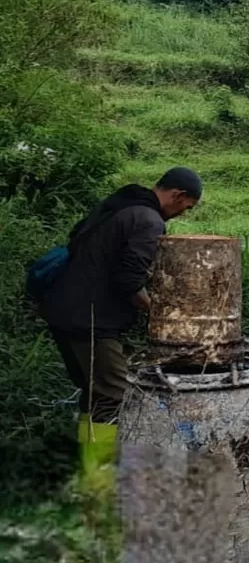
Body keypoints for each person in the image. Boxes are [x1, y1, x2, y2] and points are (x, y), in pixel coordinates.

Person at [39, 167, 202, 484]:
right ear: (177, 195)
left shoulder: (121, 205)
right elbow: (128, 280)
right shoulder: (148, 220)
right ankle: (101, 481)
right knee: (115, 395)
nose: (183, 214)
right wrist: (161, 314)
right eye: (187, 207)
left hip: (65, 312)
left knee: (94, 394)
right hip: (90, 321)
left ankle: (90, 470)